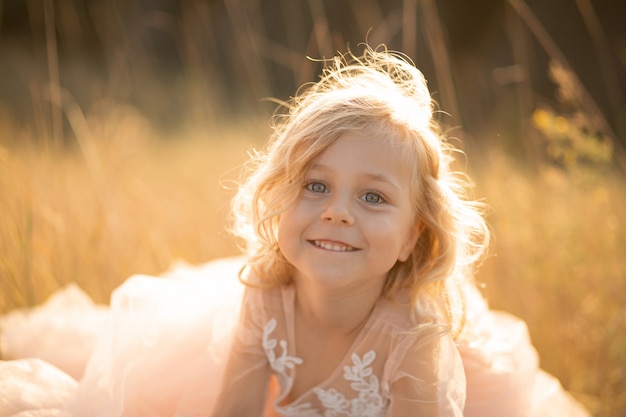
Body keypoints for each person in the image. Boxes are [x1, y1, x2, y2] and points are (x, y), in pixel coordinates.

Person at [0, 45, 590, 417]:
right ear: (282, 197)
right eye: (315, 186)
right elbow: (232, 411)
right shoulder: (266, 293)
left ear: (415, 235)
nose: (336, 211)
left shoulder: (416, 343)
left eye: (374, 197)